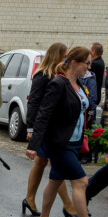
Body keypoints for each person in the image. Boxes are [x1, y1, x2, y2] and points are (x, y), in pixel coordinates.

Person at [26, 46, 92, 217]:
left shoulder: (79, 84)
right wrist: (34, 143)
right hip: (59, 143)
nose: (89, 67)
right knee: (81, 182)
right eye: (87, 63)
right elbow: (43, 114)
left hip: (74, 142)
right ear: (74, 62)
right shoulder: (58, 83)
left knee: (55, 181)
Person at [23, 42, 75, 216]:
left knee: (41, 162)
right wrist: (30, 128)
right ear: (57, 56)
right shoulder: (43, 75)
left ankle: (29, 199)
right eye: (65, 55)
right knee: (55, 164)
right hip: (43, 127)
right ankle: (68, 205)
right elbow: (34, 101)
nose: (67, 59)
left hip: (53, 127)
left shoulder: (59, 74)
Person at [79, 68, 96, 164]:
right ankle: (80, 154)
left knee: (87, 132)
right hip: (81, 110)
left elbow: (92, 97)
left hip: (87, 111)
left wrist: (91, 112)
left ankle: (87, 155)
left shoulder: (90, 79)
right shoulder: (77, 77)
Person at [89, 42, 103, 107]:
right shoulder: (100, 61)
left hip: (93, 95)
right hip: (96, 94)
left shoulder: (94, 64)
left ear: (93, 52)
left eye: (89, 50)